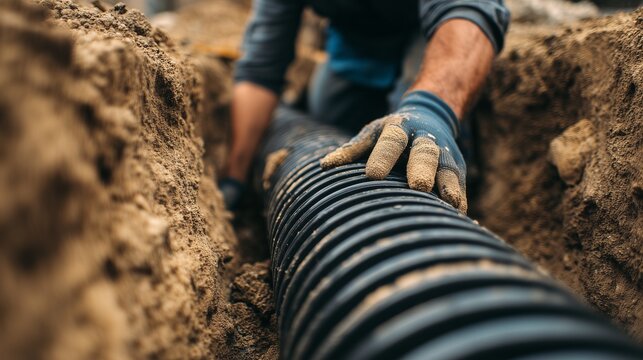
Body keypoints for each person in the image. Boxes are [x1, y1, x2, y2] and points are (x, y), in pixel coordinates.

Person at [219, 0, 511, 213]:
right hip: (354, 45)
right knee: (329, 116)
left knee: (417, 141)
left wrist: (432, 107)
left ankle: (448, 206)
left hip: (431, 36)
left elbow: (469, 11)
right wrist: (235, 177)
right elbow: (260, 70)